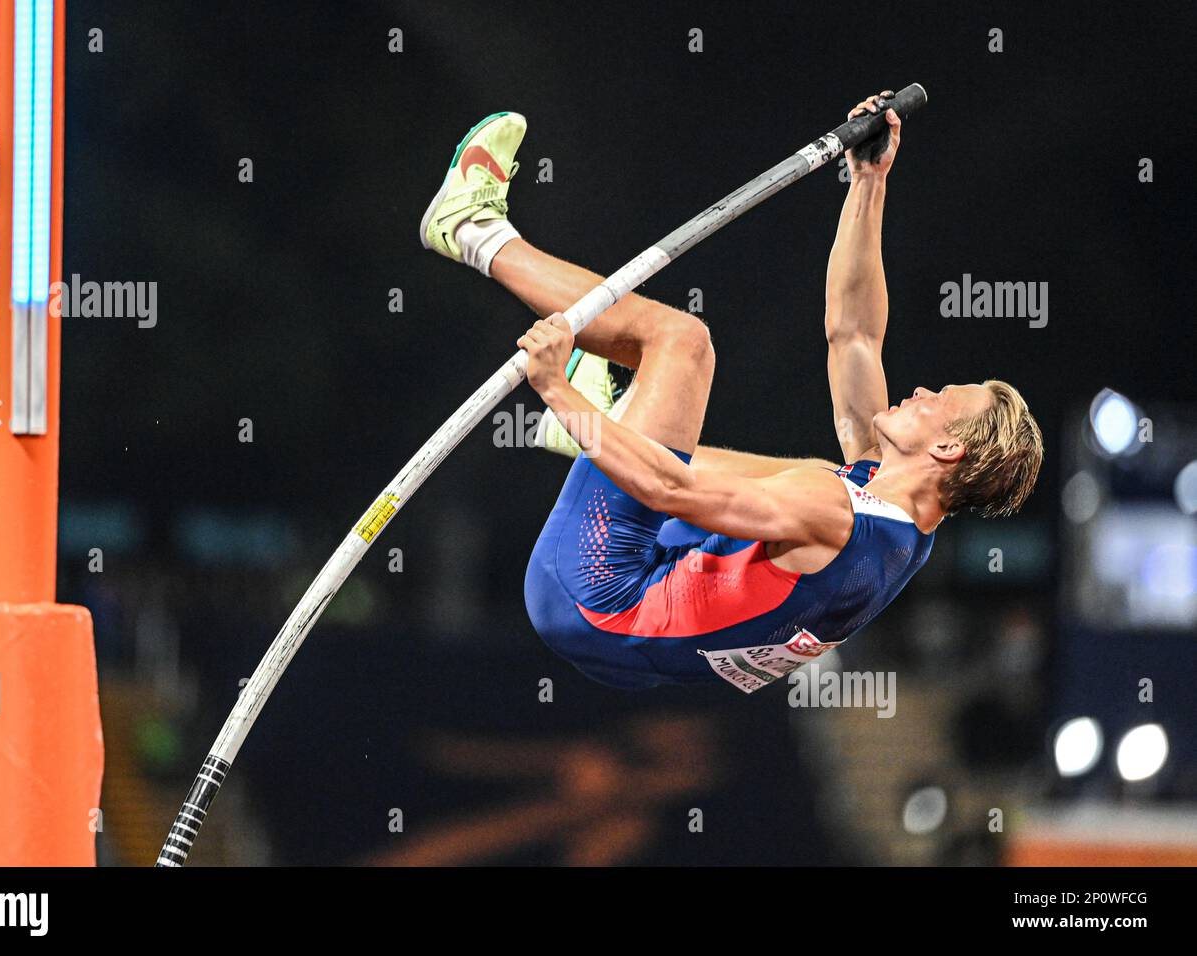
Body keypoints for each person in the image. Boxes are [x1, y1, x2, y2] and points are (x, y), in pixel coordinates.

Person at [419, 93, 1043, 692]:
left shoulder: (834, 512)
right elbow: (855, 334)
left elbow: (669, 489)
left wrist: (559, 391)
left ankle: (472, 230)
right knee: (812, 473)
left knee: (681, 342)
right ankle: (615, 423)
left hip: (590, 593)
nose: (924, 390)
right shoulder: (904, 527)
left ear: (947, 451)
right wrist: (868, 182)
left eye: (941, 400)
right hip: (632, 645)